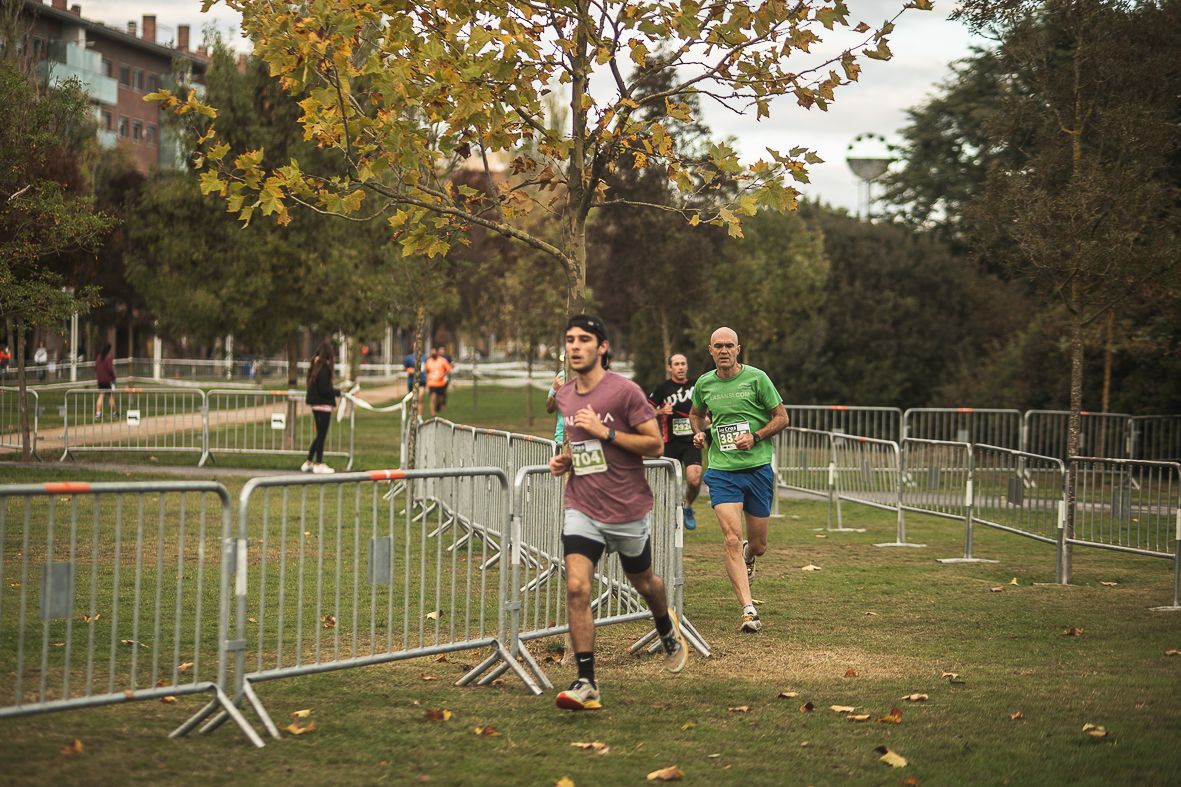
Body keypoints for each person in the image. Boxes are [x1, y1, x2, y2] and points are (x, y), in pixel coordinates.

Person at [549, 314, 688, 711]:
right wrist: (565, 462)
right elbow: (578, 448)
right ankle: (586, 682)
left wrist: (606, 432)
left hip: (627, 509)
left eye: (584, 340)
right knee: (576, 587)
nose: (574, 346)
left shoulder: (625, 392)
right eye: (569, 340)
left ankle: (665, 625)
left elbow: (654, 445)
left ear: (602, 347)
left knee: (645, 583)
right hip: (582, 506)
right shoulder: (565, 396)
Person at [690, 327, 788, 633]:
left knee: (758, 544)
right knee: (730, 538)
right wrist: (698, 431)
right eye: (717, 346)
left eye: (728, 346)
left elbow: (782, 417)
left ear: (738, 349)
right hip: (722, 471)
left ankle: (750, 555)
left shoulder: (757, 379)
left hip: (757, 468)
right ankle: (748, 610)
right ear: (710, 351)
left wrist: (756, 436)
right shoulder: (704, 383)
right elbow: (695, 413)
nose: (723, 350)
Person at [648, 353, 703, 531]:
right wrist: (660, 412)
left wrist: (706, 419)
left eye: (683, 364)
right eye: (676, 364)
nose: (680, 367)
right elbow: (645, 411)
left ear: (687, 367)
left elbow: (706, 406)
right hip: (669, 442)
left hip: (691, 440)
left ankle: (687, 507)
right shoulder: (662, 388)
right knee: (666, 485)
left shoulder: (696, 386)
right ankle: (667, 517)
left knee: (694, 480)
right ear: (669, 368)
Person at [302, 338, 342, 474]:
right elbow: (325, 389)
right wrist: (336, 392)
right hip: (323, 406)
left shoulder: (314, 366)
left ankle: (308, 461)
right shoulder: (323, 369)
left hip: (316, 405)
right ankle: (318, 463)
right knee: (321, 436)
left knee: (319, 435)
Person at [424, 345, 452, 417]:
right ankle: (433, 414)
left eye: (434, 352)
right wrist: (427, 383)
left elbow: (449, 369)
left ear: (437, 352)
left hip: (441, 383)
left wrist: (443, 375)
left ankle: (442, 412)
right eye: (432, 352)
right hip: (432, 383)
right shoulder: (428, 361)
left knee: (441, 399)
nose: (433, 354)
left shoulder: (442, 360)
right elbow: (426, 372)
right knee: (433, 398)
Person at [94, 342, 117, 419]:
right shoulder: (108, 357)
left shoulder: (98, 357)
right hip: (107, 380)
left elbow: (96, 368)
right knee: (110, 396)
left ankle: (98, 413)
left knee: (101, 395)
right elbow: (110, 369)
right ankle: (114, 413)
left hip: (100, 380)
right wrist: (114, 377)